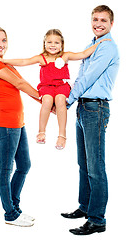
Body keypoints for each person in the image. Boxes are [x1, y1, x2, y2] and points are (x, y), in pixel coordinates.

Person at [61, 5, 119, 235]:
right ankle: (85, 207)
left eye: (103, 20)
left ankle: (97, 220)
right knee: (83, 164)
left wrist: (67, 100)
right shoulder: (91, 45)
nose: (98, 23)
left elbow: (88, 77)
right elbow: (81, 75)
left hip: (95, 108)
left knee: (96, 167)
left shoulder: (107, 47)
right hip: (84, 107)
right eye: (95, 19)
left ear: (111, 24)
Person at [0, 29, 109, 150]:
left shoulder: (65, 55)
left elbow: (82, 54)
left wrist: (98, 44)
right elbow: (24, 61)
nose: (53, 45)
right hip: (47, 87)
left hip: (62, 86)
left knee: (60, 99)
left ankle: (62, 135)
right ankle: (41, 132)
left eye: (56, 43)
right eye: (49, 42)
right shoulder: (41, 58)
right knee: (46, 100)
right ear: (44, 44)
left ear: (61, 44)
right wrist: (4, 60)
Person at [0, 26, 40, 227]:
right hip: (6, 124)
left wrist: (44, 102)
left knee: (24, 165)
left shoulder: (4, 63)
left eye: (4, 40)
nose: (0, 44)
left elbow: (22, 82)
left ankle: (14, 208)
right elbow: (21, 85)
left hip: (17, 122)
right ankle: (10, 215)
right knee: (5, 170)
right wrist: (44, 101)